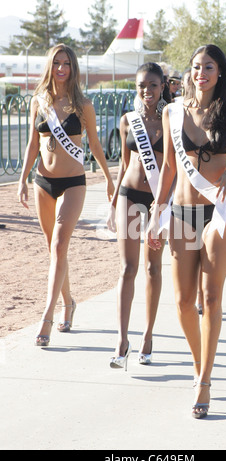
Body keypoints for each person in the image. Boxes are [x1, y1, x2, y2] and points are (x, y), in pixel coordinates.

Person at [147, 44, 226, 419]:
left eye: (209, 66)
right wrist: (155, 217)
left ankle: (205, 381)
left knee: (210, 297)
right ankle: (198, 363)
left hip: (219, 213)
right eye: (196, 67)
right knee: (181, 302)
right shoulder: (173, 112)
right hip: (182, 212)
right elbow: (170, 171)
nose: (201, 72)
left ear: (220, 72)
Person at [17, 44, 114, 346]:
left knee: (60, 245)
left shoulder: (83, 104)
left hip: (73, 182)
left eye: (67, 64)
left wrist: (110, 179)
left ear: (73, 68)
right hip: (42, 182)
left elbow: (96, 145)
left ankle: (48, 316)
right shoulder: (39, 101)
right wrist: (22, 179)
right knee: (54, 251)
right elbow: (33, 145)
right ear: (50, 66)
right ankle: (69, 302)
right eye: (57, 63)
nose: (61, 68)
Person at [106, 62, 171, 370]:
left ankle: (147, 336)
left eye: (153, 85)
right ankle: (122, 340)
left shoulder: (172, 120)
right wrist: (111, 203)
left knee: (153, 269)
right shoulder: (128, 121)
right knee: (127, 269)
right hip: (129, 197)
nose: (147, 91)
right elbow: (123, 162)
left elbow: (173, 169)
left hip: (158, 201)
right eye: (142, 86)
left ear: (163, 85)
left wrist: (163, 210)